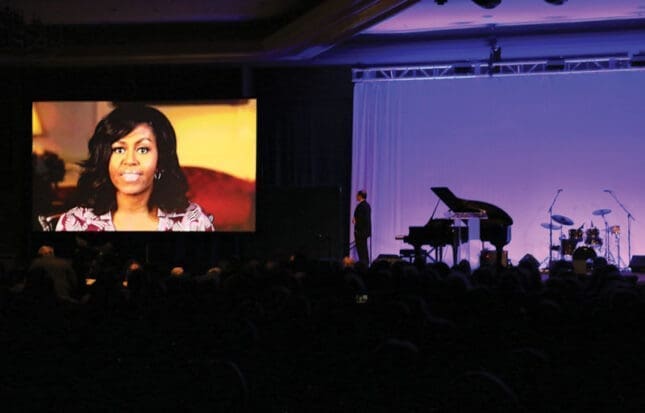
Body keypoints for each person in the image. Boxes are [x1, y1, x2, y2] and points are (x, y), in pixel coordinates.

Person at [56, 104, 214, 231]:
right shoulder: (74, 223)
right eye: (119, 149)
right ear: (105, 159)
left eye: (143, 149)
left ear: (161, 161)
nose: (130, 160)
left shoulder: (193, 222)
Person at [352, 189, 371, 266]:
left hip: (360, 232)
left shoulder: (360, 206)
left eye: (357, 195)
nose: (356, 197)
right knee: (364, 249)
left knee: (361, 250)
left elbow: (361, 219)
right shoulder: (367, 205)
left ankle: (363, 265)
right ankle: (366, 264)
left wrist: (355, 221)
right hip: (365, 232)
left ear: (360, 196)